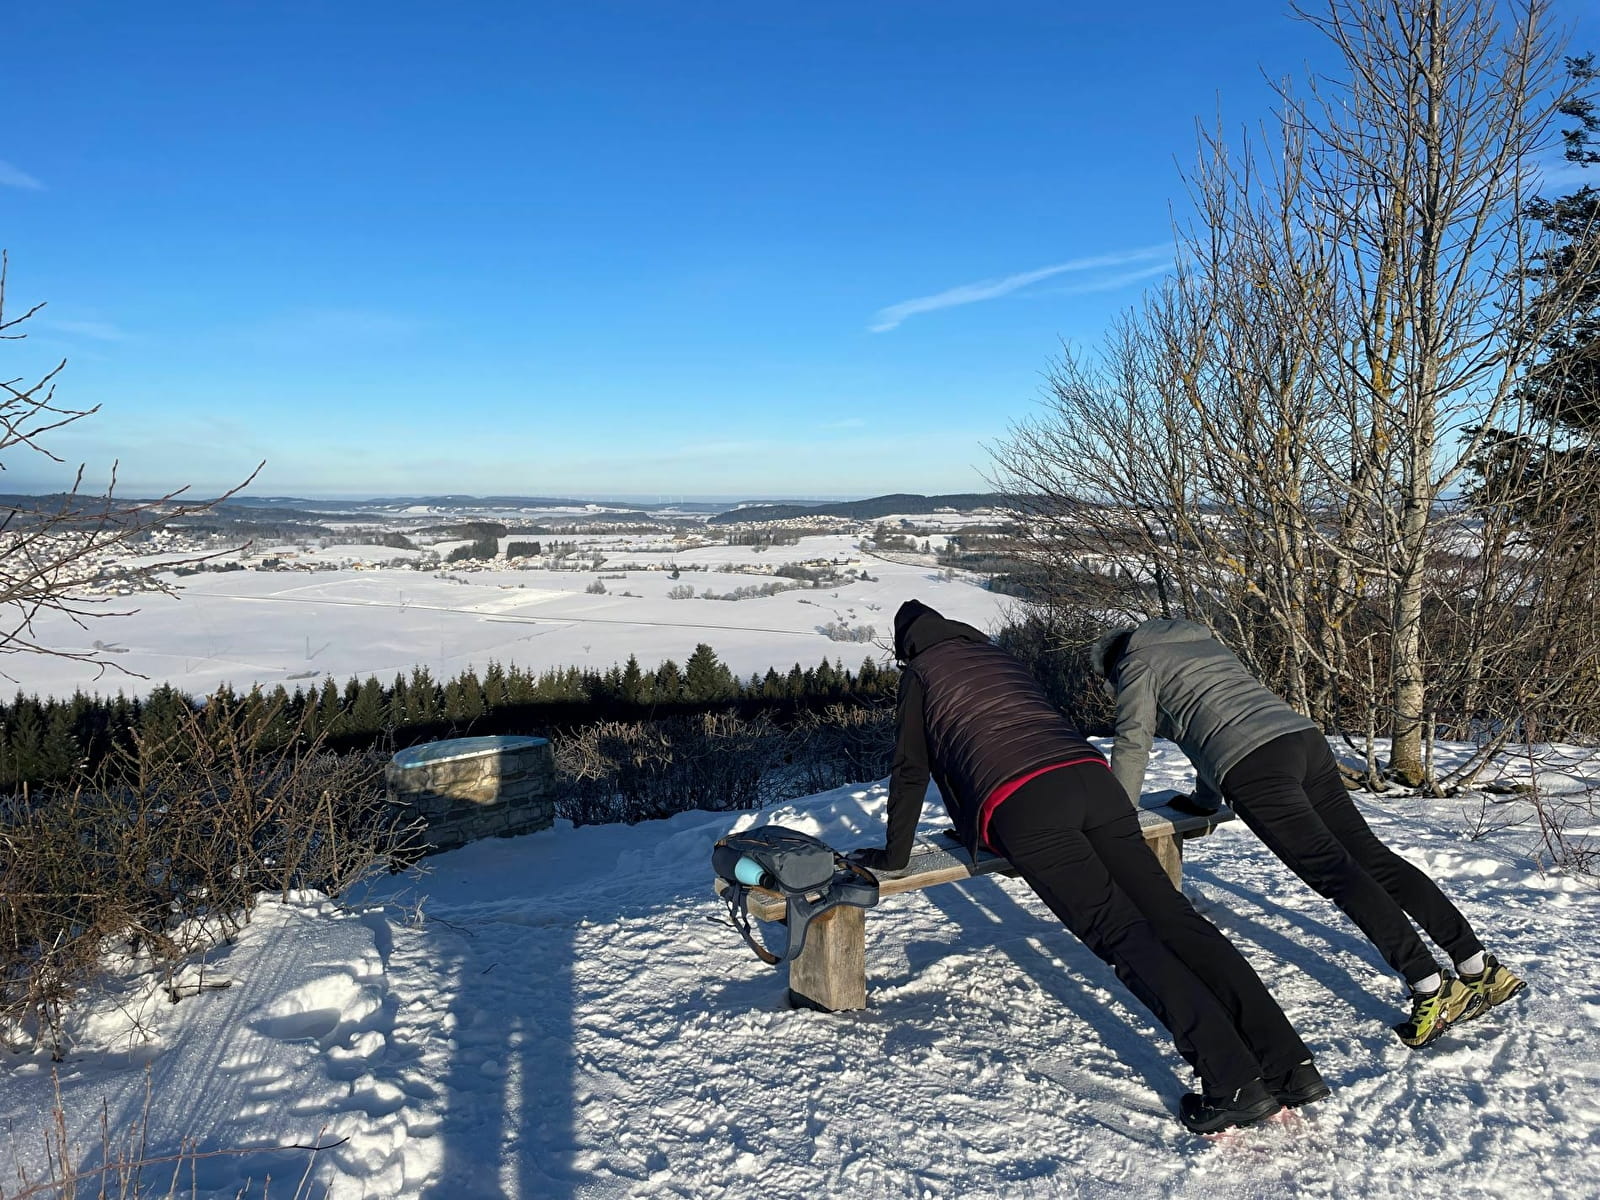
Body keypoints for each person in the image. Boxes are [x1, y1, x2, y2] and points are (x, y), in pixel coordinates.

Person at [851, 600, 1326, 1134]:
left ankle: (1233, 1082)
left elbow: (911, 770)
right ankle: (1291, 1066)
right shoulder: (1000, 657)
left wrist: (895, 856)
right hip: (1091, 780)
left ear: (907, 647)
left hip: (1027, 804)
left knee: (1123, 935)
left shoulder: (922, 672)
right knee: (1176, 919)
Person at [1090, 618, 1527, 1049]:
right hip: (1301, 740)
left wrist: (1116, 819)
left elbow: (1133, 740)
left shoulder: (1135, 664)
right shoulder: (1201, 644)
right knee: (1371, 857)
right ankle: (1479, 967)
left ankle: (1431, 986)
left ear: (1112, 666)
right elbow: (1208, 732)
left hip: (1255, 770)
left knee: (1337, 873)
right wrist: (1205, 801)